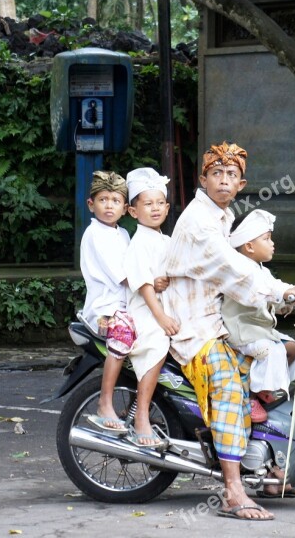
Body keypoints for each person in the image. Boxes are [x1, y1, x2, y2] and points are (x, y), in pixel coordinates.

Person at [164, 142, 295, 521]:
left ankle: (274, 466)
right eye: (217, 173)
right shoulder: (200, 222)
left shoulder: (223, 217)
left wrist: (288, 293)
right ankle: (232, 490)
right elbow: (234, 268)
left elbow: (245, 276)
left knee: (290, 349)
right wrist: (283, 291)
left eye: (231, 175)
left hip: (218, 316)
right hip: (192, 323)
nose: (224, 180)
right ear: (204, 179)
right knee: (230, 383)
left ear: (241, 183)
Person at [222, 209, 295, 423]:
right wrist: (287, 293)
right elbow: (262, 289)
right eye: (266, 239)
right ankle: (251, 395)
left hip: (259, 330)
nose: (272, 243)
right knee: (273, 351)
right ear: (249, 246)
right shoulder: (240, 269)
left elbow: (275, 287)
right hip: (242, 331)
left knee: (294, 348)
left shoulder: (261, 269)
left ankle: (269, 389)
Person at [118, 167, 179, 447]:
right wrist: (162, 317)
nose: (154, 209)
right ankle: (142, 414)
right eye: (147, 204)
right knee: (157, 343)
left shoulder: (164, 240)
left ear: (167, 207)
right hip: (146, 311)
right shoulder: (140, 242)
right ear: (133, 211)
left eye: (159, 204)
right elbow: (143, 285)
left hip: (161, 306)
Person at [78, 171, 136, 433]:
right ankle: (104, 401)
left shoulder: (122, 233)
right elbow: (125, 276)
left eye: (115, 200)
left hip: (124, 306)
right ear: (91, 204)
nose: (109, 205)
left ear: (125, 208)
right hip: (104, 310)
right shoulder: (95, 235)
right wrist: (155, 284)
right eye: (103, 199)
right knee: (123, 334)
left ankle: (137, 406)